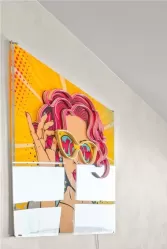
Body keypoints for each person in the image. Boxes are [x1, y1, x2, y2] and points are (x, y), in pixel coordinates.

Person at [24, 89, 111, 233]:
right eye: (67, 144)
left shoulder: (97, 205)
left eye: (86, 149)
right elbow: (40, 235)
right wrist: (47, 175)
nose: (77, 160)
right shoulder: (42, 201)